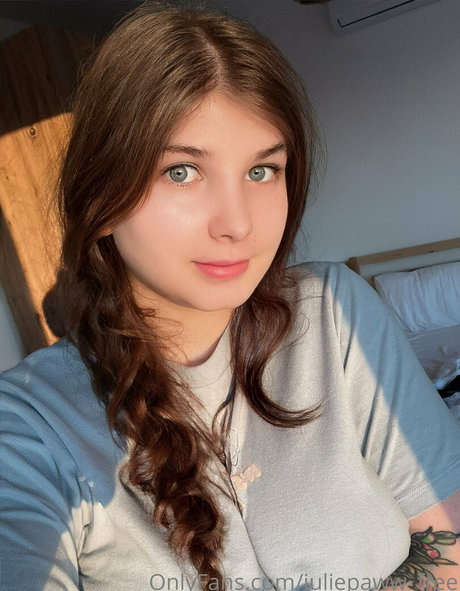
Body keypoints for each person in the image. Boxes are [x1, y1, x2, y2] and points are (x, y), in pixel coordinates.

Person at [1, 2, 460, 590]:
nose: (238, 224)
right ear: (101, 195)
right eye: (181, 171)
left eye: (262, 171)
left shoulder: (332, 314)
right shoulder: (31, 424)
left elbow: (449, 538)